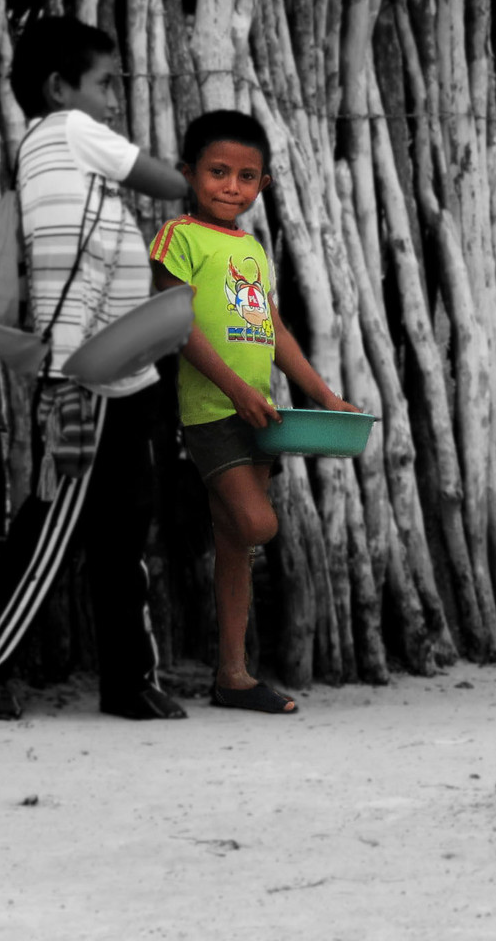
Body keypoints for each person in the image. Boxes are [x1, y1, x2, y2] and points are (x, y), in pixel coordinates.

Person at [0, 15, 195, 721]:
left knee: (124, 530)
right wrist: (185, 172)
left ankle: (129, 682)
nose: (116, 102)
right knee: (55, 530)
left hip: (118, 370)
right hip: (83, 376)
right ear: (60, 89)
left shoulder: (44, 149)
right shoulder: (68, 132)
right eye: (106, 85)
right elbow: (169, 183)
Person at [149, 109, 357, 714]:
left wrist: (321, 393)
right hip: (212, 410)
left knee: (236, 546)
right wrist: (237, 391)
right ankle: (185, 507)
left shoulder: (254, 250)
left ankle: (233, 676)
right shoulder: (177, 237)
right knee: (257, 526)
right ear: (189, 173)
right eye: (217, 172)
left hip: (259, 415)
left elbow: (274, 329)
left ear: (263, 183)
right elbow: (177, 321)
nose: (231, 187)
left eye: (246, 177)